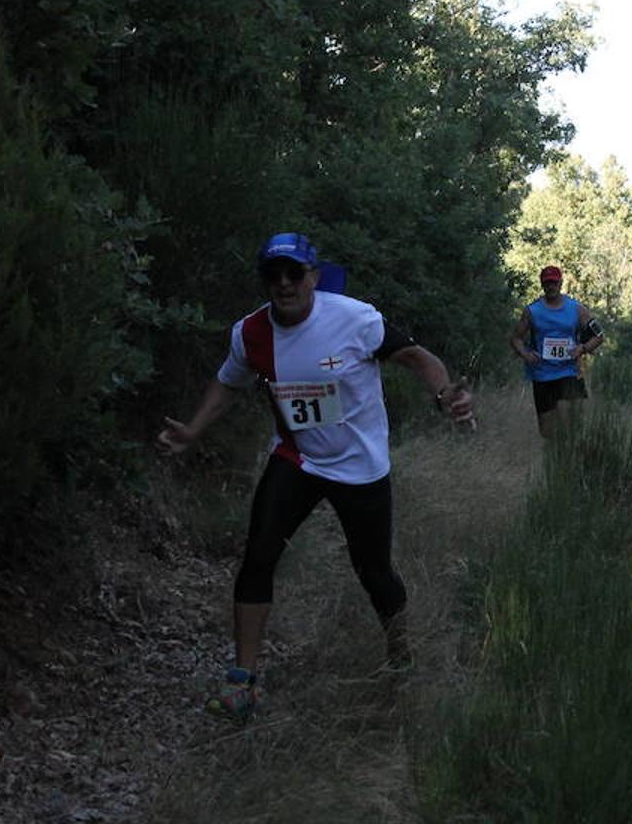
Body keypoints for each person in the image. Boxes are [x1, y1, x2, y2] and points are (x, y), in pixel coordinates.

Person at [157, 232, 475, 719]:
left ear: (313, 277)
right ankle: (242, 682)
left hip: (361, 467)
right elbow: (227, 381)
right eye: (273, 275)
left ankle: (400, 657)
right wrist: (193, 430)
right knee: (258, 556)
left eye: (294, 273)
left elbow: (417, 357)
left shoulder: (354, 319)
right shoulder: (252, 333)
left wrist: (443, 394)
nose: (284, 284)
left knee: (374, 572)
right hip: (297, 459)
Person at [508, 265, 604, 437]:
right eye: (547, 283)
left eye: (553, 282)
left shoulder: (577, 309)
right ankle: (555, 461)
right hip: (542, 375)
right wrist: (526, 354)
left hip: (569, 372)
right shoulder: (532, 311)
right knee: (548, 433)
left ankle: (572, 460)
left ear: (560, 283)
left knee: (570, 426)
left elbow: (599, 335)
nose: (550, 286)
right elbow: (515, 338)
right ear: (542, 285)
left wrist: (582, 348)